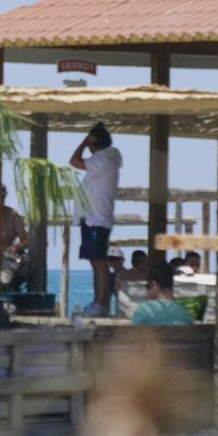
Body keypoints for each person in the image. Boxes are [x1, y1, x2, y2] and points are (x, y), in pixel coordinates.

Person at [69, 122, 121, 316]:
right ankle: (98, 302)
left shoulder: (102, 159)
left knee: (98, 261)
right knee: (96, 261)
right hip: (96, 218)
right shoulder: (108, 159)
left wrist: (84, 142)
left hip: (96, 219)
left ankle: (100, 303)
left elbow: (74, 161)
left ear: (94, 142)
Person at [129, 262, 194, 325]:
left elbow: (132, 330)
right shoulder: (183, 312)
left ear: (154, 284)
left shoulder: (145, 309)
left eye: (148, 286)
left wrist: (148, 301)